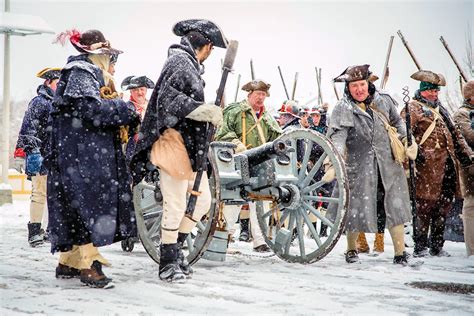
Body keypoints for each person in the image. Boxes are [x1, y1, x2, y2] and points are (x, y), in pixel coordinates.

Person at [131, 19, 227, 282]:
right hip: (172, 140)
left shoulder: (187, 64)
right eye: (211, 48)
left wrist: (206, 115)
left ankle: (176, 249)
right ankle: (167, 262)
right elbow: (167, 100)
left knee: (203, 201)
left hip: (190, 144)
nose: (211, 53)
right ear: (205, 45)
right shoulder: (179, 61)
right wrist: (200, 110)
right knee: (175, 203)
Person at [47, 29, 139, 288]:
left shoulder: (80, 73)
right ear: (96, 55)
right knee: (87, 207)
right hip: (82, 158)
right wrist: (125, 108)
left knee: (75, 207)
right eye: (109, 56)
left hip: (76, 156)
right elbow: (91, 110)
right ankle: (89, 266)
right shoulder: (81, 72)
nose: (112, 62)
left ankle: (69, 261)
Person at [326, 64, 417, 265]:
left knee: (395, 206)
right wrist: (335, 160)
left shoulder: (384, 100)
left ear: (368, 83)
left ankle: (400, 253)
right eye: (354, 86)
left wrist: (407, 140)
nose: (359, 89)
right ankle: (351, 249)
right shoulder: (343, 108)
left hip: (388, 164)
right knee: (354, 206)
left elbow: (397, 123)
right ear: (347, 88)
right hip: (358, 166)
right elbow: (338, 137)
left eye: (362, 84)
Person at [401, 70, 471, 257]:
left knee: (443, 207)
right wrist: (416, 154)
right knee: (424, 207)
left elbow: (455, 134)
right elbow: (403, 134)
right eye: (431, 91)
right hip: (426, 168)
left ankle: (437, 245)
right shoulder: (413, 108)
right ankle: (421, 246)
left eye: (436, 91)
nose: (434, 94)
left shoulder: (442, 110)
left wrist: (468, 155)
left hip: (447, 166)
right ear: (422, 91)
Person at [215, 79, 282, 252]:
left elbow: (277, 137)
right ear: (249, 94)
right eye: (258, 94)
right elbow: (223, 131)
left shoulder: (266, 117)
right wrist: (236, 144)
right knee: (233, 199)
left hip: (260, 164)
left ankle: (260, 240)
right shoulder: (235, 111)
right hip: (237, 161)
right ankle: (226, 237)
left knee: (262, 200)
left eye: (263, 95)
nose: (261, 98)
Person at [16, 67, 61, 247]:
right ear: (47, 82)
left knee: (54, 195)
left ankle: (50, 230)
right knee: (39, 193)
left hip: (57, 157)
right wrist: (34, 152)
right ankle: (34, 231)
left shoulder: (61, 103)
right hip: (41, 155)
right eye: (58, 83)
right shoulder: (39, 102)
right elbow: (28, 129)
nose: (60, 86)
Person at [452, 80, 474, 257]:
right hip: (470, 168)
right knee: (471, 207)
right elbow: (470, 136)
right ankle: (472, 250)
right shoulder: (462, 114)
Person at [121, 75, 155, 163]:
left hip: (154, 151)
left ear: (146, 90)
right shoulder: (125, 108)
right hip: (134, 153)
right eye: (136, 90)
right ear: (131, 92)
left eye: (142, 89)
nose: (139, 92)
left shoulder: (153, 106)